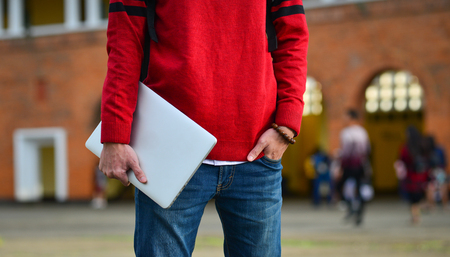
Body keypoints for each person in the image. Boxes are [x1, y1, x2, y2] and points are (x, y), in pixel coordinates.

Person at [98, 1, 309, 256]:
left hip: (256, 154)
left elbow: (292, 37)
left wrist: (287, 123)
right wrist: (114, 136)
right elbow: (124, 45)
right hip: (169, 148)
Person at [335, 109, 371, 226]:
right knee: (360, 188)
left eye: (346, 117)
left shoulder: (346, 133)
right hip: (360, 165)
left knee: (340, 186)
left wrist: (340, 167)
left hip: (349, 165)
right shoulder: (362, 132)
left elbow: (345, 152)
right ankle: (359, 211)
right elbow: (367, 150)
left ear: (351, 118)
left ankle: (351, 208)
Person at [396, 126, 430, 224]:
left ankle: (415, 216)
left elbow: (402, 160)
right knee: (419, 195)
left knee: (412, 198)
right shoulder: (423, 145)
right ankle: (420, 210)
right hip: (422, 174)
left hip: (411, 175)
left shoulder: (406, 147)